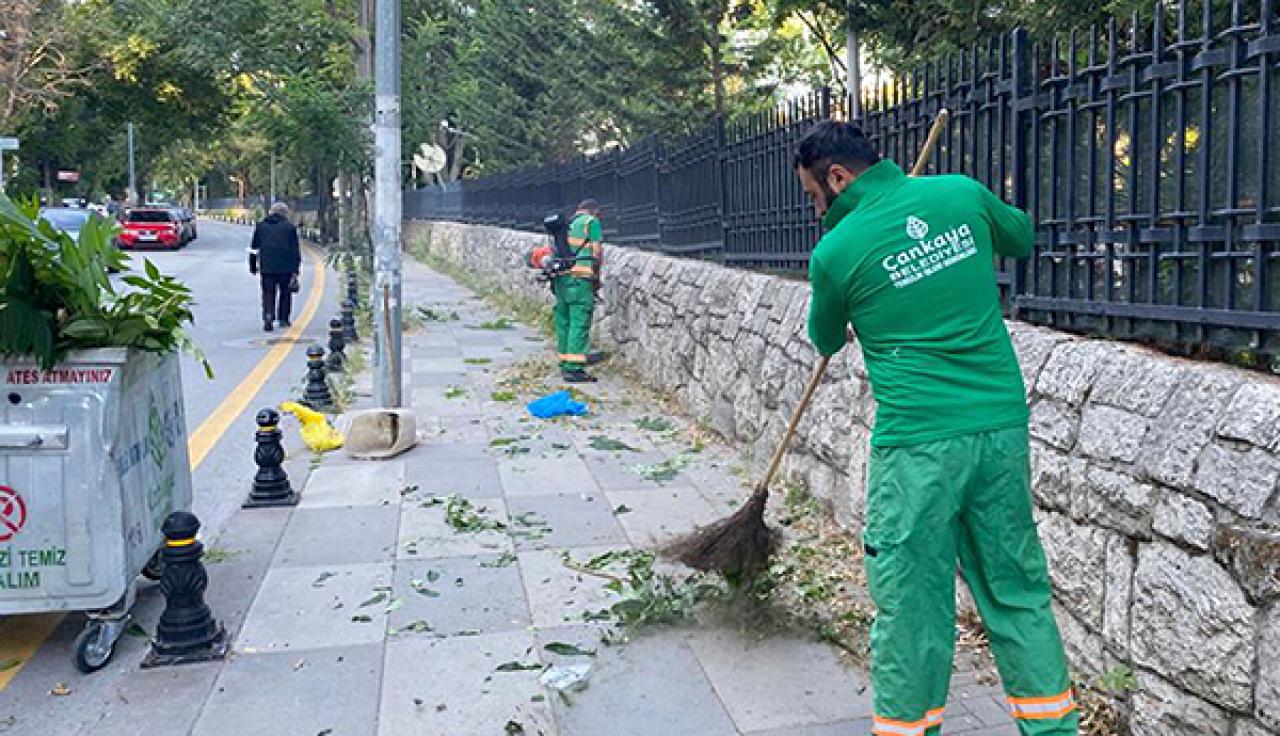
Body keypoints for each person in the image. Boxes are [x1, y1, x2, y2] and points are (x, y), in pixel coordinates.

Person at [794, 120, 1077, 736]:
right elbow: (1021, 236)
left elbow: (823, 337)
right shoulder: (960, 194)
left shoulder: (837, 253)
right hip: (999, 430)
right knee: (1015, 589)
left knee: (913, 605)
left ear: (838, 177)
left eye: (816, 197)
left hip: (918, 447)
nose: (818, 211)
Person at [553, 199, 603, 383]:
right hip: (580, 280)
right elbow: (596, 253)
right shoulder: (591, 222)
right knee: (579, 322)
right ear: (594, 212)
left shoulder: (567, 223)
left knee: (564, 320)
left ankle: (565, 361)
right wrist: (596, 276)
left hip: (561, 279)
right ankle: (574, 369)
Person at [249, 201, 302, 332]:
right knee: (285, 293)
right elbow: (295, 250)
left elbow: (254, 248)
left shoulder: (261, 226)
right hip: (286, 267)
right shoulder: (289, 228)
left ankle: (268, 315)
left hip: (267, 266)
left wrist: (252, 265)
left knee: (268, 292)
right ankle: (283, 318)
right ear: (285, 213)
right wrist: (296, 270)